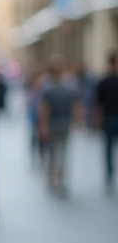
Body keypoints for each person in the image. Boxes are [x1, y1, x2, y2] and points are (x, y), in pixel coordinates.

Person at [39, 54, 83, 197]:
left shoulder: (48, 87)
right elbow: (76, 107)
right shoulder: (69, 86)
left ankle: (53, 179)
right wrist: (78, 122)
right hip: (63, 124)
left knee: (53, 153)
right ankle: (59, 180)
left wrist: (43, 125)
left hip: (55, 124)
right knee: (62, 153)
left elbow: (45, 109)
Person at [95, 51, 118, 193]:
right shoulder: (104, 82)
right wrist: (98, 121)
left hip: (111, 118)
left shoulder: (103, 81)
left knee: (109, 148)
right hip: (109, 117)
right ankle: (109, 175)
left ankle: (110, 175)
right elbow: (99, 104)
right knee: (109, 148)